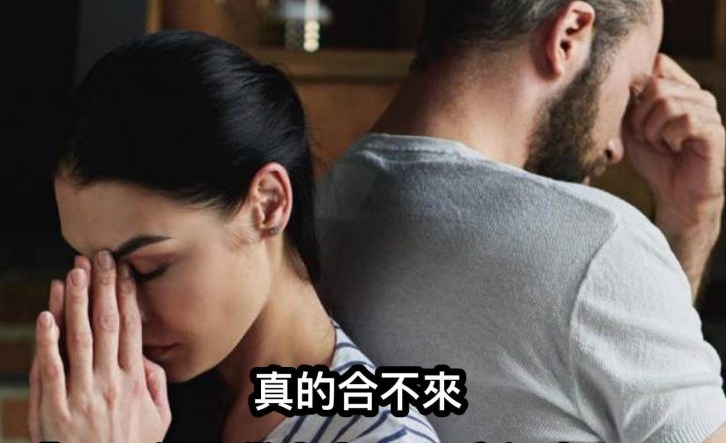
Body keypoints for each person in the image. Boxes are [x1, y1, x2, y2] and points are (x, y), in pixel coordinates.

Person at [317, 0, 726, 441]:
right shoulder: (596, 243)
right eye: (631, 89)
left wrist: (684, 223)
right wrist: (696, 221)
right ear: (569, 35)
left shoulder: (313, 210)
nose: (615, 145)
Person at [28, 31, 439, 443]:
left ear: (268, 204)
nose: (121, 314)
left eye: (149, 268)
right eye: (92, 271)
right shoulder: (112, 405)